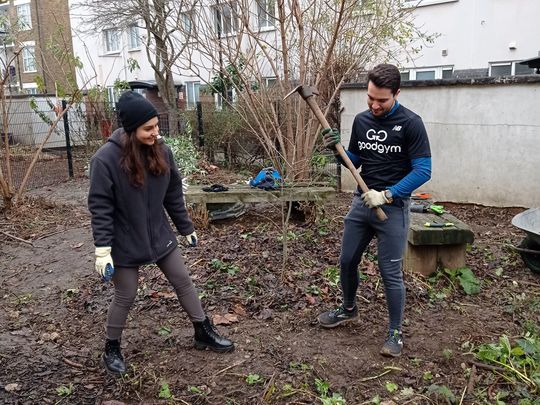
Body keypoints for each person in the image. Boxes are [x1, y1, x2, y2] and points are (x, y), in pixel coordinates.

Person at [88, 91, 234, 375]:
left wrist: (185, 227)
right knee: (126, 294)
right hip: (124, 242)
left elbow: (172, 194)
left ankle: (202, 331)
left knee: (182, 280)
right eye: (148, 128)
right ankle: (112, 347)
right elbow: (100, 207)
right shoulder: (105, 160)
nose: (156, 133)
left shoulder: (161, 151)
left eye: (156, 126)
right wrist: (103, 250)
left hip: (158, 234)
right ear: (131, 130)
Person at [318, 64, 431, 357]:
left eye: (382, 100)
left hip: (392, 208)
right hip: (362, 203)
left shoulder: (411, 124)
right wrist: (336, 148)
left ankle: (395, 331)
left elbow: (423, 170)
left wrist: (389, 194)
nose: (374, 105)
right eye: (370, 98)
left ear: (396, 93)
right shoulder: (362, 120)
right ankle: (348, 309)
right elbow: (353, 161)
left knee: (390, 271)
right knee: (346, 260)